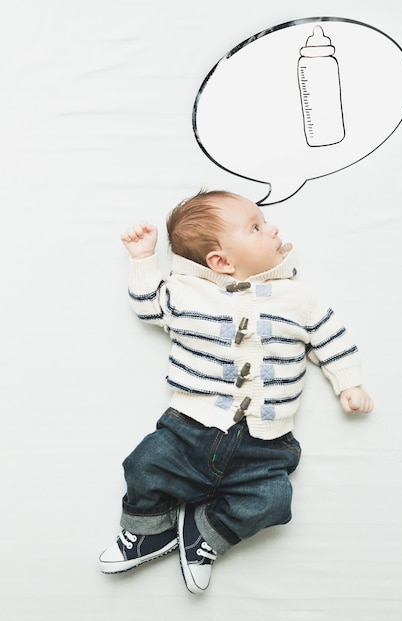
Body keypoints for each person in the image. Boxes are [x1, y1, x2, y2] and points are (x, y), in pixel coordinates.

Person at [99, 190, 374, 593]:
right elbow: (148, 306)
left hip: (265, 444)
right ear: (221, 262)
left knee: (273, 501)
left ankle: (203, 533)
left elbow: (329, 337)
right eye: (257, 227)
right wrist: (141, 259)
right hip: (190, 426)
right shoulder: (188, 291)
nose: (273, 228)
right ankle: (148, 531)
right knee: (145, 465)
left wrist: (348, 382)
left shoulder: (298, 299)